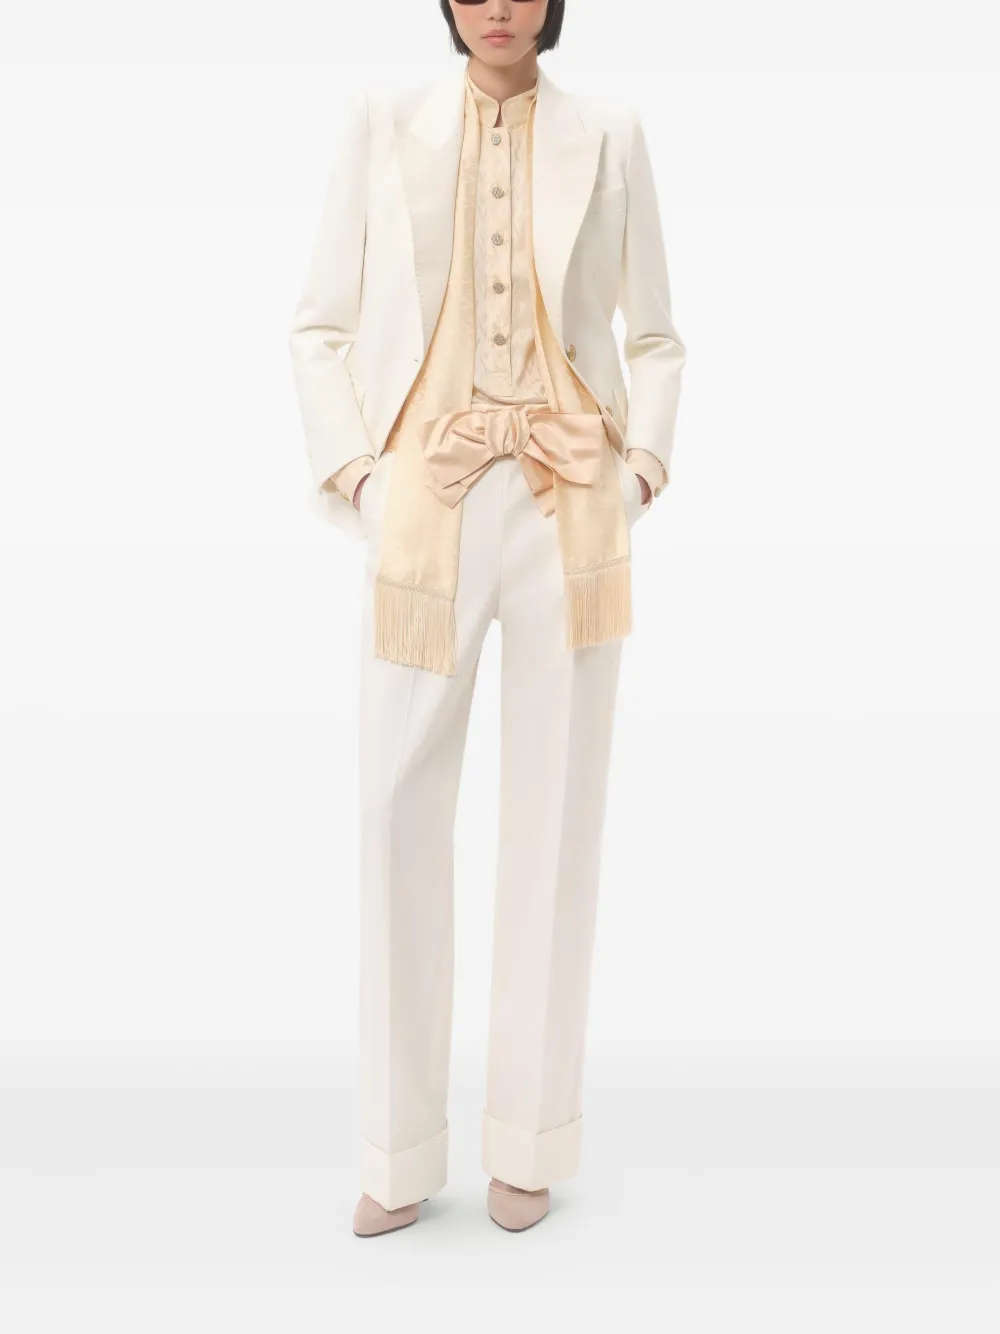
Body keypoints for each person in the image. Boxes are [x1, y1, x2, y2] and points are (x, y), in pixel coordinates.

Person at [288, 0, 685, 1237]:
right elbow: (318, 325)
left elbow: (656, 335)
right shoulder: (380, 122)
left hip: (569, 507)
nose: (498, 6)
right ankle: (397, 1147)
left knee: (556, 815)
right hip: (428, 506)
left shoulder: (610, 133)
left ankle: (530, 1137)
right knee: (394, 807)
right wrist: (365, 478)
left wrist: (636, 473)